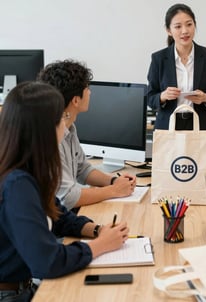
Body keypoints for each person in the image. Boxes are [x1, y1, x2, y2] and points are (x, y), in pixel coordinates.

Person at [0, 82, 130, 301]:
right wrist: (100, 245)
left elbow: (58, 215)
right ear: (43, 129)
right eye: (61, 120)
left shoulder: (30, 169)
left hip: (24, 287)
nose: (65, 126)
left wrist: (98, 230)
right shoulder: (16, 184)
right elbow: (47, 261)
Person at [37, 60, 136, 211]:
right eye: (87, 88)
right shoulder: (51, 137)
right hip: (56, 223)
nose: (90, 92)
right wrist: (114, 191)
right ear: (76, 100)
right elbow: (67, 198)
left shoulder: (70, 128)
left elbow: (82, 169)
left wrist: (114, 181)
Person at [147, 3, 206, 138]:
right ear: (169, 30)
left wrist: (205, 98)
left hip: (201, 129)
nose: (185, 31)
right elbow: (149, 98)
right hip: (168, 130)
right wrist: (163, 96)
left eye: (189, 24)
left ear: (195, 25)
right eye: (178, 26)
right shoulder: (159, 58)